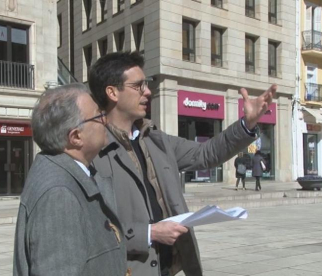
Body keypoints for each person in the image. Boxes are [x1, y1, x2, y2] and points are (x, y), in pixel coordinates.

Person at [89, 51, 276, 276]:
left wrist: (247, 123)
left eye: (146, 84)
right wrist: (149, 233)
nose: (147, 91)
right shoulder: (92, 150)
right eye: (138, 86)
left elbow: (206, 153)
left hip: (169, 268)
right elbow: (91, 228)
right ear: (112, 92)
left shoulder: (155, 140)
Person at [13, 84, 127, 276]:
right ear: (75, 137)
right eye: (98, 116)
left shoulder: (74, 172)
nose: (105, 120)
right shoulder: (59, 194)